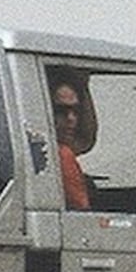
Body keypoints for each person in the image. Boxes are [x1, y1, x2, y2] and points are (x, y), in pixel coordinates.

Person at [48, 71, 91, 210]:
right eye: (61, 111)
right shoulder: (61, 155)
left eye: (76, 111)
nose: (71, 118)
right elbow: (81, 210)